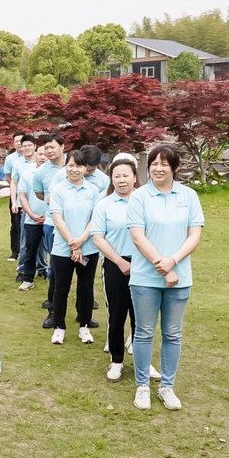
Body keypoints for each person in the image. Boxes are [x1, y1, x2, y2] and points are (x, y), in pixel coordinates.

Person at [127, 144, 204, 411]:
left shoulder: (189, 196)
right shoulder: (139, 197)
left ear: (175, 168)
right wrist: (164, 265)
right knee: (145, 332)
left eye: (164, 164)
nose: (158, 168)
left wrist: (173, 261)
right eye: (153, 164)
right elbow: (138, 237)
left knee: (173, 333)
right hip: (145, 278)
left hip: (180, 278)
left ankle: (167, 387)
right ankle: (142, 386)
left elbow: (194, 235)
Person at [91, 155, 158, 381]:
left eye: (125, 175)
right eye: (116, 176)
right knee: (117, 314)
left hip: (144, 264)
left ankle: (144, 362)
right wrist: (120, 262)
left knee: (142, 316)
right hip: (115, 264)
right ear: (111, 179)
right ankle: (116, 360)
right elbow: (98, 238)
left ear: (135, 177)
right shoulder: (104, 205)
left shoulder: (146, 202)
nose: (121, 180)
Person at [48, 150, 101, 345]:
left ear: (85, 168)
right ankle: (59, 327)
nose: (74, 169)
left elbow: (95, 219)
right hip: (62, 249)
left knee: (86, 289)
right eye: (70, 165)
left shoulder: (93, 191)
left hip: (88, 249)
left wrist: (80, 241)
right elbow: (57, 218)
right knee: (61, 288)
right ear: (66, 167)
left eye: (78, 166)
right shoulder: (58, 190)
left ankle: (84, 326)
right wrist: (72, 242)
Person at [32, 134, 67, 329]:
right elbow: (39, 194)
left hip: (77, 225)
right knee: (55, 268)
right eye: (46, 148)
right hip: (52, 224)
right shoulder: (41, 172)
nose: (48, 151)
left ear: (63, 146)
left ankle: (84, 311)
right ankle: (53, 309)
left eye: (52, 147)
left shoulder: (74, 163)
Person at [16, 145, 49, 291]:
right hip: (32, 219)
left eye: (45, 154)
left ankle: (51, 275)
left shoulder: (58, 174)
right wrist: (31, 214)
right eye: (40, 154)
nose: (42, 157)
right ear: (36, 155)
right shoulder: (28, 174)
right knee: (30, 249)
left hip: (52, 220)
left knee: (53, 251)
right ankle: (28, 278)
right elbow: (22, 196)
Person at [4, 133, 33, 262]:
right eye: (17, 141)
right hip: (17, 198)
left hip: (34, 198)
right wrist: (14, 197)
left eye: (23, 142)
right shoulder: (12, 160)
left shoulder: (39, 159)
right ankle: (16, 252)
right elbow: (11, 179)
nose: (20, 144)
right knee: (16, 225)